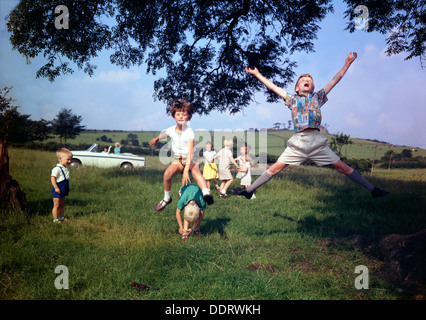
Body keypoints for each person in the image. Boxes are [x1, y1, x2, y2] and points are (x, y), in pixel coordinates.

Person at [232, 52, 389, 199]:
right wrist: (257, 74)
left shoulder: (318, 96)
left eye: (310, 80)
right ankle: (249, 191)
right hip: (298, 142)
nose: (307, 81)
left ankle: (373, 190)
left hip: (316, 142)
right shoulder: (291, 99)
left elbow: (335, 80)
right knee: (274, 169)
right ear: (297, 88)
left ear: (313, 87)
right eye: (303, 80)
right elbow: (273, 87)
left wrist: (347, 64)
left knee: (343, 168)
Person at [149, 99, 214, 211]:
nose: (180, 117)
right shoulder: (171, 130)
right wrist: (156, 139)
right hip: (178, 159)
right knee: (167, 174)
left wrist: (186, 170)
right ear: (174, 116)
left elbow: (190, 153)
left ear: (188, 117)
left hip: (192, 157)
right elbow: (166, 134)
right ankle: (167, 198)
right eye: (178, 114)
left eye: (184, 115)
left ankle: (206, 193)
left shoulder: (189, 132)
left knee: (195, 172)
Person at [51, 148, 73, 223]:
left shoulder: (65, 168)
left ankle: (61, 216)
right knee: (56, 205)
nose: (69, 161)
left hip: (63, 188)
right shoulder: (57, 169)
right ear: (60, 159)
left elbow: (65, 179)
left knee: (62, 204)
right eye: (68, 159)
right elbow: (53, 179)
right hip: (58, 188)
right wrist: (56, 188)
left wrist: (67, 188)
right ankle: (55, 219)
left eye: (70, 160)